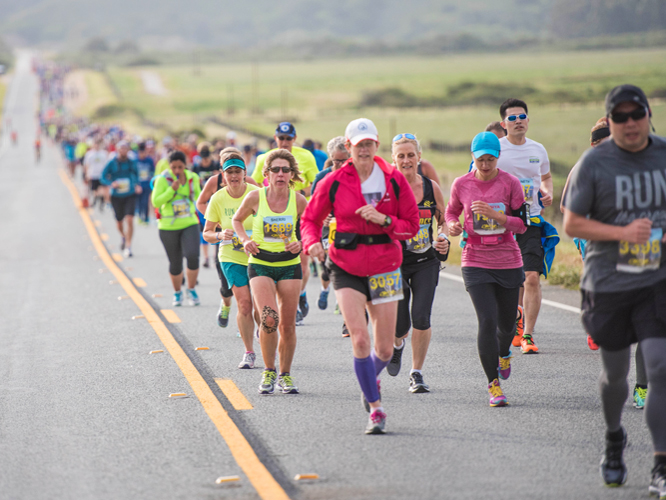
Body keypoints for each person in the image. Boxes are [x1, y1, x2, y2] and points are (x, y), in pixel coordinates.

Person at [563, 84, 666, 495]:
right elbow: (571, 223)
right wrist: (622, 233)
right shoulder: (594, 162)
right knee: (615, 376)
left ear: (648, 115)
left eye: (636, 114)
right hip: (608, 282)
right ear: (610, 121)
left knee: (659, 366)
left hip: (656, 279)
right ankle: (613, 436)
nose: (629, 123)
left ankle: (660, 464)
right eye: (620, 117)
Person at [301, 118, 419, 434]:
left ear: (376, 145)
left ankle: (369, 379)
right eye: (358, 145)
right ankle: (376, 409)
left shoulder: (394, 179)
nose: (364, 150)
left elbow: (411, 225)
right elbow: (309, 220)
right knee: (361, 339)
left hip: (385, 265)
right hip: (346, 265)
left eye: (369, 144)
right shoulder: (335, 181)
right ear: (349, 147)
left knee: (385, 350)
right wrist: (312, 243)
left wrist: (385, 220)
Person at [445, 131, 527, 407]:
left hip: (507, 260)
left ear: (498, 157)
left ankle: (504, 353)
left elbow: (522, 225)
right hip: (475, 260)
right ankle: (493, 385)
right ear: (473, 157)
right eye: (480, 159)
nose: (485, 164)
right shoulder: (461, 184)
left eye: (490, 159)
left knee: (506, 325)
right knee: (487, 321)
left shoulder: (510, 183)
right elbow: (451, 212)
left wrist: (496, 216)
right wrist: (453, 225)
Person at [233, 149, 308, 395]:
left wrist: (302, 243)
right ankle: (269, 370)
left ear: (292, 174)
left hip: (289, 265)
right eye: (275, 169)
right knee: (268, 319)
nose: (280, 174)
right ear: (266, 174)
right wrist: (245, 240)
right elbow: (237, 220)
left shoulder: (298, 200)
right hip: (261, 263)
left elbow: (311, 226)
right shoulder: (256, 197)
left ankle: (285, 375)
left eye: (286, 170)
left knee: (287, 326)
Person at [386, 133, 450, 393]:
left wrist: (444, 237)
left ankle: (416, 373)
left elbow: (443, 220)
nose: (406, 160)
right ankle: (397, 344)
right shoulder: (386, 188)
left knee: (421, 318)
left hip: (426, 260)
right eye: (401, 156)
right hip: (395, 263)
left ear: (419, 157)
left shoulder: (430, 187)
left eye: (410, 155)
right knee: (400, 326)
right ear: (393, 159)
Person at [496, 98, 553, 354]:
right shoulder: (496, 150)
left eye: (522, 117)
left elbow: (546, 177)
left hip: (531, 221)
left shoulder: (538, 149)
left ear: (528, 120)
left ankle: (528, 334)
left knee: (531, 277)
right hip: (501, 224)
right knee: (507, 281)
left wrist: (547, 192)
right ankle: (511, 322)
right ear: (503, 123)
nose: (518, 121)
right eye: (512, 118)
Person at [251, 122, 318, 324]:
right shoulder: (264, 158)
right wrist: (264, 197)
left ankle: (298, 296)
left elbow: (316, 184)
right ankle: (279, 302)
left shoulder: (306, 156)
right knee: (273, 259)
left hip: (297, 213)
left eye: (289, 138)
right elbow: (254, 182)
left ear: (294, 139)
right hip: (272, 216)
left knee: (302, 263)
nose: (285, 142)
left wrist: (300, 193)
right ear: (275, 138)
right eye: (281, 138)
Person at [203, 157, 259, 369]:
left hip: (258, 255)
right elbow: (206, 233)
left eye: (237, 171)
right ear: (223, 175)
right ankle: (249, 352)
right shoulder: (217, 198)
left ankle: (264, 337)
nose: (234, 176)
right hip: (231, 256)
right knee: (244, 304)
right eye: (229, 172)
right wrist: (219, 235)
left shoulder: (256, 194)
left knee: (261, 307)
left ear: (245, 173)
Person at [152, 151, 202, 306]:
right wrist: (172, 189)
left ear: (185, 165)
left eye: (180, 167)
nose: (177, 171)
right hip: (168, 226)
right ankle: (177, 292)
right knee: (175, 262)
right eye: (174, 167)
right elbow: (156, 202)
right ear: (169, 166)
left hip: (189, 222)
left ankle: (191, 289)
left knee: (193, 255)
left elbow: (199, 197)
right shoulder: (162, 180)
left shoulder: (192, 178)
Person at [310, 136, 349, 314]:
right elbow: (312, 208)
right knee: (327, 267)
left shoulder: (357, 177)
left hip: (348, 228)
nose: (339, 165)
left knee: (346, 265)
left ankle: (343, 299)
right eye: (336, 161)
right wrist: (322, 216)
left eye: (344, 161)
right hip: (327, 228)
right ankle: (325, 289)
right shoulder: (321, 178)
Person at [100, 140, 141, 257]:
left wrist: (137, 185)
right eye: (121, 148)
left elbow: (136, 174)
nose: (123, 151)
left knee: (130, 219)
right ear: (117, 150)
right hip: (116, 196)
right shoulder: (111, 162)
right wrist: (111, 183)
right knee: (119, 222)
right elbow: (102, 177)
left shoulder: (132, 162)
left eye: (125, 148)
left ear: (128, 150)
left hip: (130, 194)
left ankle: (128, 246)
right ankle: (123, 235)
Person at [83, 139, 110, 212]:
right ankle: (95, 200)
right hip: (93, 174)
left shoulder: (104, 153)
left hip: (102, 175)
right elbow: (87, 164)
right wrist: (87, 174)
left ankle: (101, 203)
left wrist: (107, 174)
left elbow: (107, 164)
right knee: (94, 190)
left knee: (102, 189)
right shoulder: (89, 154)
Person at [135, 142, 155, 224]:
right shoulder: (135, 161)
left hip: (146, 184)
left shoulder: (149, 160)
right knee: (139, 202)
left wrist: (151, 178)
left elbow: (152, 171)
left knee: (145, 202)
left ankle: (146, 217)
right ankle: (140, 216)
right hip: (138, 185)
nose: (142, 154)